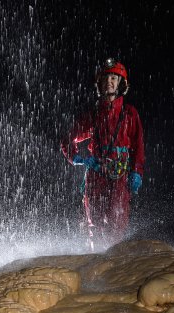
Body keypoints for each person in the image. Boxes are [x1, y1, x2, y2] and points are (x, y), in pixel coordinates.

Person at [60, 58, 145, 250]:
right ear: (100, 83)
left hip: (120, 177)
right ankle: (96, 262)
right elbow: (67, 140)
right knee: (95, 223)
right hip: (96, 176)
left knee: (117, 224)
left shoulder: (130, 114)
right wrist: (79, 158)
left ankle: (113, 269)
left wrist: (137, 171)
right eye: (106, 77)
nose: (110, 81)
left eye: (114, 77)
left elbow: (138, 147)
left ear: (121, 83)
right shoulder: (92, 114)